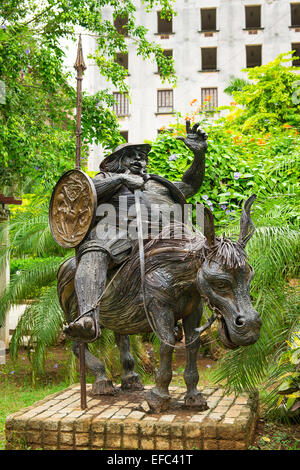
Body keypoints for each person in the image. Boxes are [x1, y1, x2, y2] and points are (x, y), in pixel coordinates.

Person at [64, 121, 208, 342]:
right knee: (95, 250)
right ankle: (88, 317)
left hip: (165, 241)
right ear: (118, 162)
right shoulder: (105, 180)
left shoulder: (160, 184)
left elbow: (191, 185)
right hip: (118, 238)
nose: (139, 159)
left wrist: (199, 156)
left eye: (142, 155)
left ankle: (225, 310)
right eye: (132, 155)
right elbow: (84, 193)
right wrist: (120, 179)